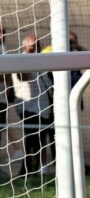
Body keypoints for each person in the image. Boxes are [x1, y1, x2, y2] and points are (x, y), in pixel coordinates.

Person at [12, 35, 54, 175]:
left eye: (38, 45)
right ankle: (28, 169)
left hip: (44, 106)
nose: (36, 48)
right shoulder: (20, 60)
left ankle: (41, 167)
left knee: (42, 138)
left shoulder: (42, 59)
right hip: (28, 107)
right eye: (33, 46)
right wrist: (30, 55)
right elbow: (21, 76)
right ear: (24, 47)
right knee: (31, 139)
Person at [0, 26, 22, 163]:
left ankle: (18, 149)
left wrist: (8, 87)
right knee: (3, 124)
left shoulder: (3, 50)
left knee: (2, 123)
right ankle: (17, 149)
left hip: (0, 95)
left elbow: (6, 76)